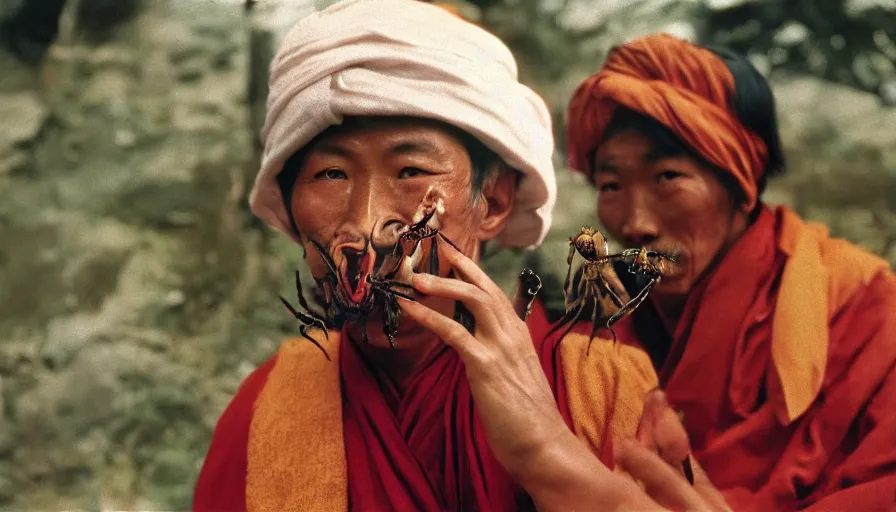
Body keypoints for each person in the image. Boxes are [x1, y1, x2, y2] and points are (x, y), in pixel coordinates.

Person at [192, 2, 677, 510]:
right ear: (291, 213)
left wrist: (547, 454)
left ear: (494, 202)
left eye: (411, 172)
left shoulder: (601, 387)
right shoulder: (265, 409)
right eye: (331, 175)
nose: (364, 225)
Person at [564, 33, 896, 511]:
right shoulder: (599, 324)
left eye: (667, 178)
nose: (636, 224)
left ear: (740, 183)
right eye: (611, 185)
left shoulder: (867, 310)